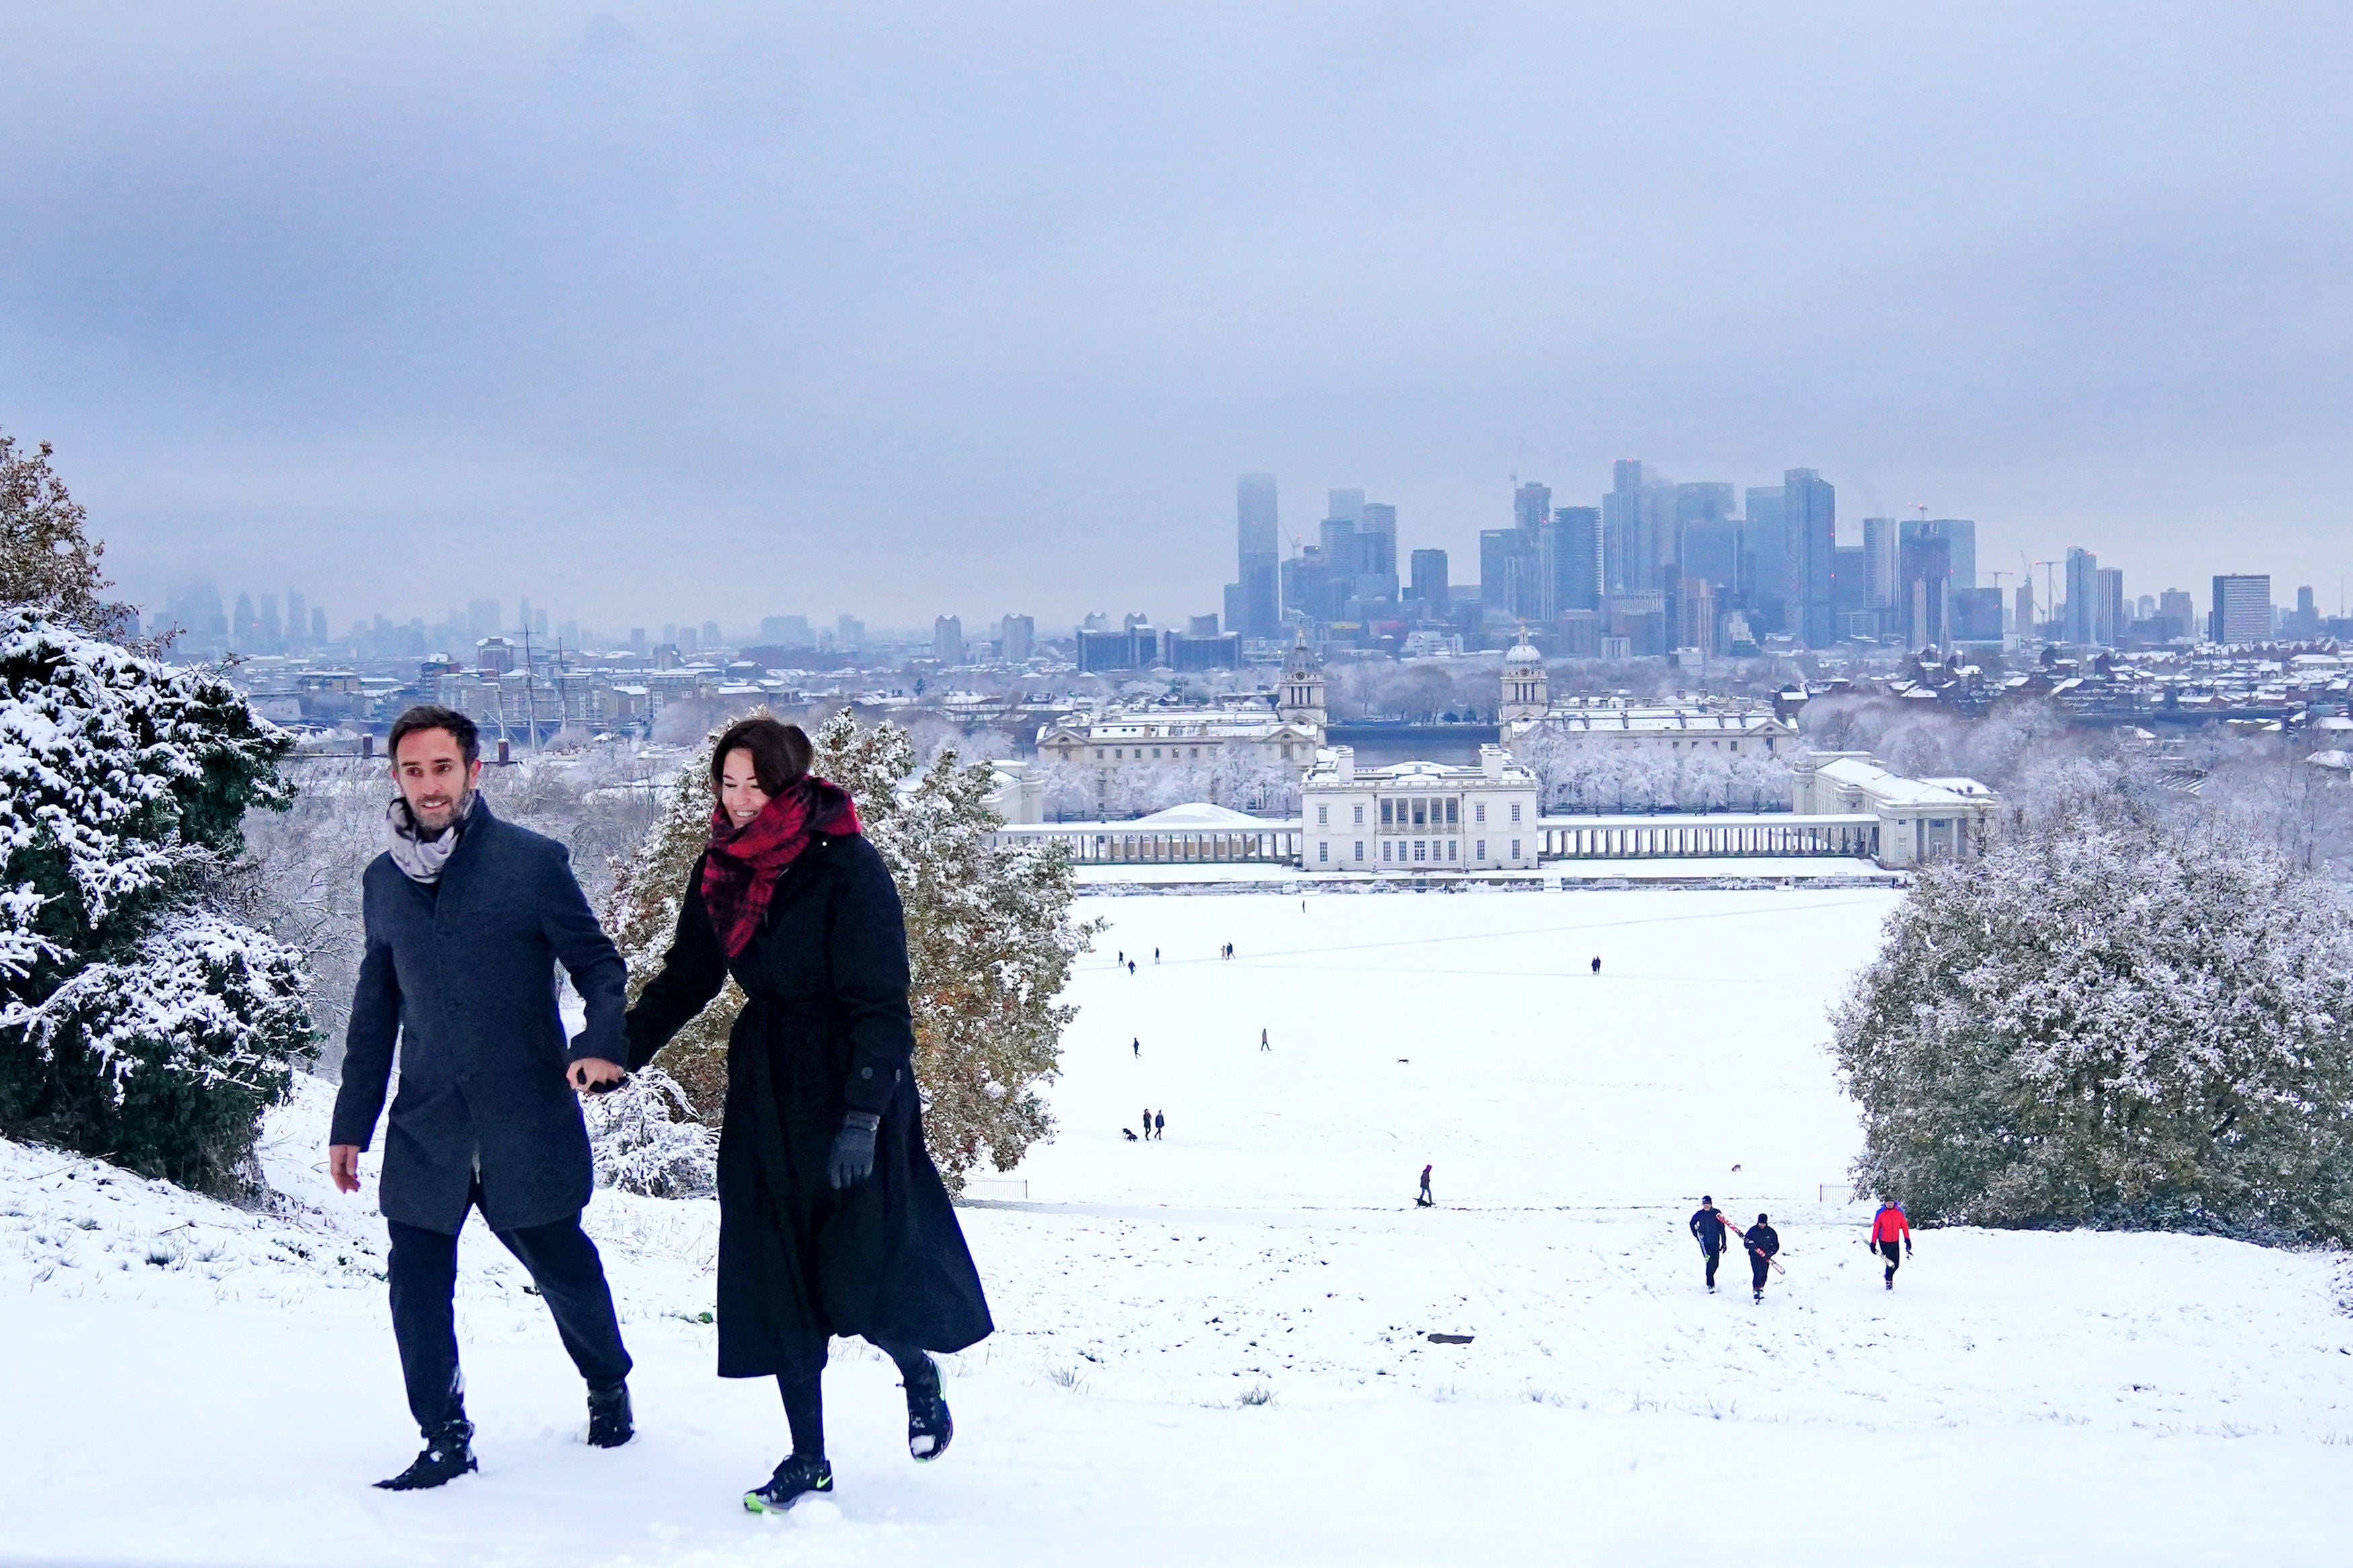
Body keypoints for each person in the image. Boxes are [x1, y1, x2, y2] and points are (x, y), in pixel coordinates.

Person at [621, 718, 992, 1514]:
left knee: (857, 1270)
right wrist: (622, 1052)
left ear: (789, 782)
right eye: (727, 782)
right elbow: (688, 977)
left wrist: (862, 1115)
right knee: (777, 1270)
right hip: (766, 1085)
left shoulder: (846, 866)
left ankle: (917, 1368)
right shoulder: (719, 869)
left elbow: (881, 1004)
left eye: (755, 783)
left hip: (851, 1084)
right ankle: (808, 1457)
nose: (740, 798)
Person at [329, 705, 636, 1491]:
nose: (428, 785)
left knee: (562, 1265)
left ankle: (607, 1382)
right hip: (428, 1122)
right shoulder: (382, 881)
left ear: (474, 770)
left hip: (523, 1117)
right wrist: (350, 1123)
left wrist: (598, 1041)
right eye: (413, 770)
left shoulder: (532, 864)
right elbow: (375, 1010)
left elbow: (598, 965)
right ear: (395, 775)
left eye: (442, 768)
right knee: (416, 1282)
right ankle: (443, 1433)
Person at [1688, 1195, 1734, 1292]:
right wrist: (1696, 1235)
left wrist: (1724, 1243)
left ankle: (1710, 1277)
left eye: (1708, 1204)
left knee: (1716, 1263)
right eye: (1704, 1204)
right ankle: (1710, 1284)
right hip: (1705, 1244)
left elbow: (1722, 1229)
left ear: (1711, 1204)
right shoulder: (1700, 1214)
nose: (1706, 1206)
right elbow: (1692, 1223)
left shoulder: (1717, 1213)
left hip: (1715, 1242)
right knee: (1709, 1263)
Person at [1870, 1199, 1913, 1289]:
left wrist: (1907, 1239)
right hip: (1884, 1241)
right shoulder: (1880, 1213)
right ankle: (1889, 1282)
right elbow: (1876, 1228)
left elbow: (1904, 1226)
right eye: (1888, 1203)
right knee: (1890, 1263)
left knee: (1896, 1264)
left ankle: (1888, 1276)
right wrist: (1873, 1243)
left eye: (1891, 1203)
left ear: (1894, 1203)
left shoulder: (1899, 1212)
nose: (1889, 1205)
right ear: (1885, 1203)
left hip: (1895, 1241)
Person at [1743, 1212, 1780, 1303]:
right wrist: (1750, 1245)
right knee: (1757, 1272)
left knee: (1764, 1274)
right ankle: (1756, 1289)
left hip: (1766, 1257)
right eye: (1760, 1223)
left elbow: (1776, 1245)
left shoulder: (1771, 1232)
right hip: (1754, 1256)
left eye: (1763, 1224)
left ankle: (1761, 1288)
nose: (1762, 1225)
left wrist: (1770, 1253)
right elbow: (1746, 1243)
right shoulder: (1753, 1231)